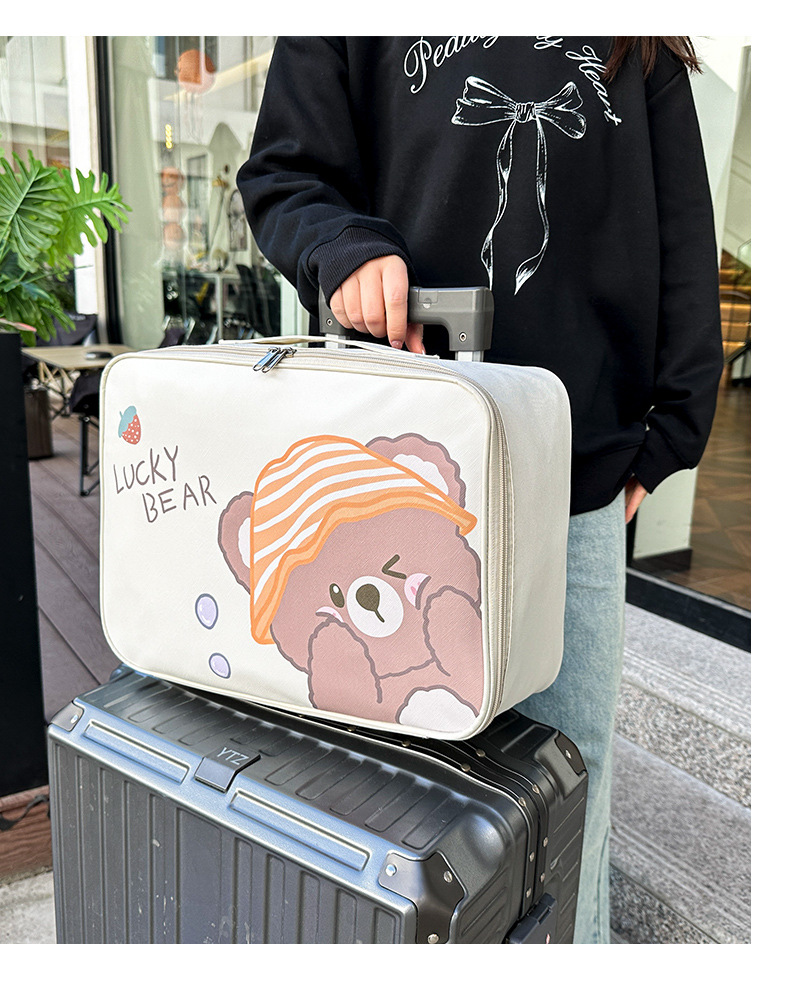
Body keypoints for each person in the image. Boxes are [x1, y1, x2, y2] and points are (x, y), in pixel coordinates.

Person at [237, 36, 723, 944]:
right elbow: (285, 172)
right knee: (400, 786)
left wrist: (670, 432)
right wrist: (343, 247)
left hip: (573, 479)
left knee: (570, 778)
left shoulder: (636, 38)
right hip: (395, 471)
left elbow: (681, 230)